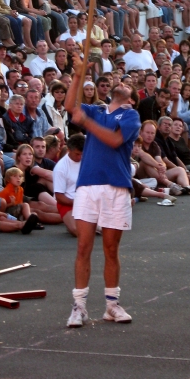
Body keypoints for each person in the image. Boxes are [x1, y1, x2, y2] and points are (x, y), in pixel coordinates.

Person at [64, 52, 141, 327]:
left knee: (110, 248)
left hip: (117, 187)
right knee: (83, 246)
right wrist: (77, 75)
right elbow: (70, 106)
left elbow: (113, 140)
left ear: (131, 99)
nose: (121, 84)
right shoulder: (95, 110)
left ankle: (112, 305)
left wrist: (86, 123)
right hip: (88, 186)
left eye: (128, 87)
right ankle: (79, 305)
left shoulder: (131, 116)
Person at [53, 133, 85, 236]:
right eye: (77, 154)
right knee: (78, 231)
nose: (80, 157)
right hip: (68, 203)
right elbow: (59, 197)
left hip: (88, 201)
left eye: (82, 154)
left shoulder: (88, 159)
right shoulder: (60, 168)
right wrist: (77, 202)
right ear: (69, 150)